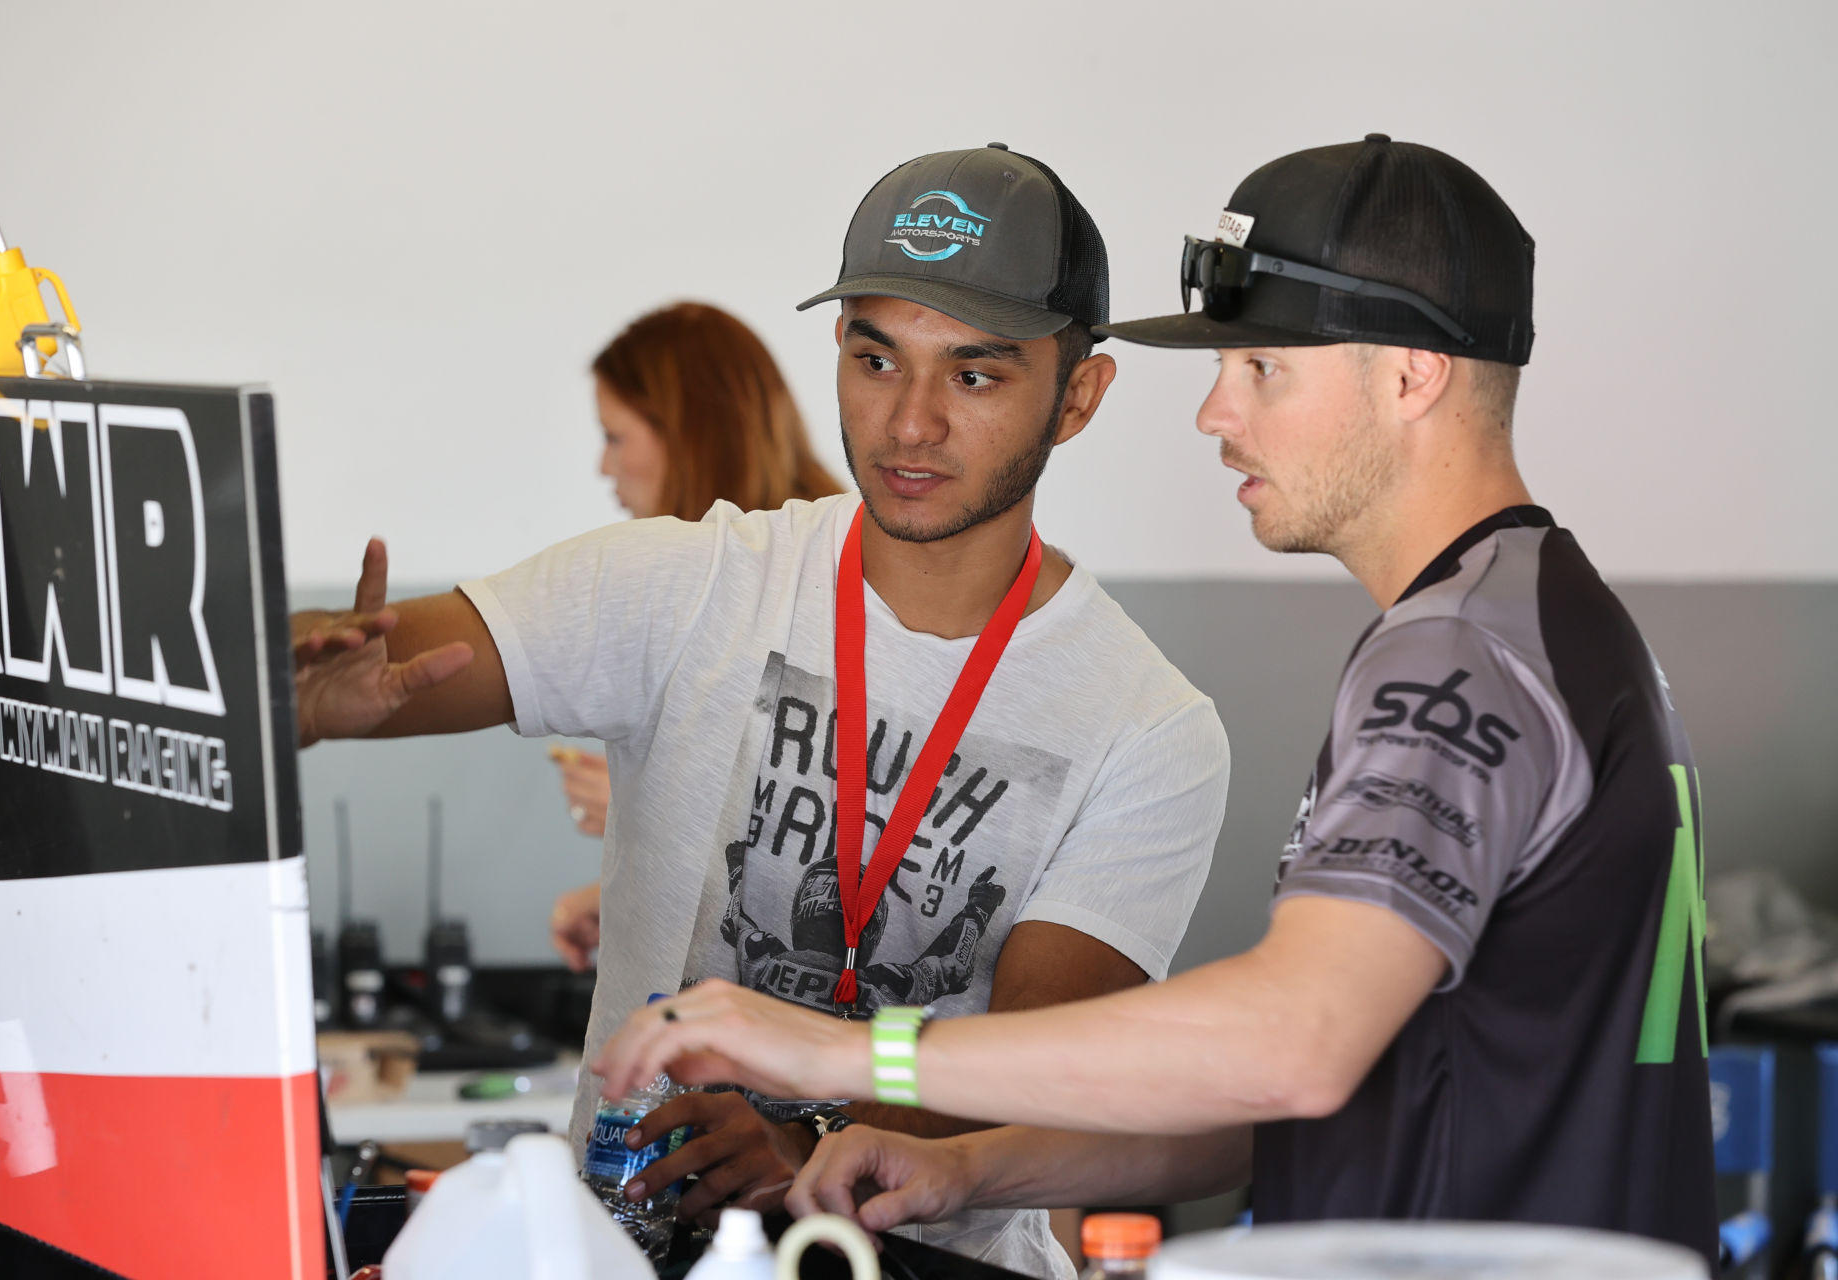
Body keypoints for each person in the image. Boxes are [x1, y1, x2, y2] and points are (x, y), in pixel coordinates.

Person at [591, 135, 1720, 1268]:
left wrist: (843, 1060)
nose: (1215, 412)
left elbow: (1295, 1041)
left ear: (1410, 373)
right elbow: (1291, 1093)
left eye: (1262, 368)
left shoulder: (1454, 660)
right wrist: (973, 1164)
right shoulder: (1543, 624)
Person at [290, 143, 1230, 1279]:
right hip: (625, 1250)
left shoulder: (1148, 726)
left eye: (973, 374)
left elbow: (1039, 1060)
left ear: (1077, 394)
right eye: (876, 358)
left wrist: (805, 1133)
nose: (911, 423)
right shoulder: (688, 584)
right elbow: (400, 663)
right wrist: (302, 694)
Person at [547, 302, 844, 972]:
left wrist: (653, 803)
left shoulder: (834, 585)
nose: (603, 466)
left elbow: (846, 853)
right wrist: (625, 892)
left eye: (615, 436)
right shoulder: (699, 595)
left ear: (687, 434)